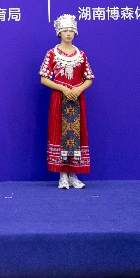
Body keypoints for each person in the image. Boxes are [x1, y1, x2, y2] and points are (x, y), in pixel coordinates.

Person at [39, 14, 94, 190]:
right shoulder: (52, 54)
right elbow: (44, 79)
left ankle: (74, 174)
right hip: (60, 100)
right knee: (60, 134)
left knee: (76, 135)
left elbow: (89, 78)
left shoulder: (81, 55)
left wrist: (78, 89)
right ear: (59, 33)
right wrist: (63, 88)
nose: (68, 33)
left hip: (76, 100)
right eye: (65, 30)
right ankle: (62, 174)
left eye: (71, 30)